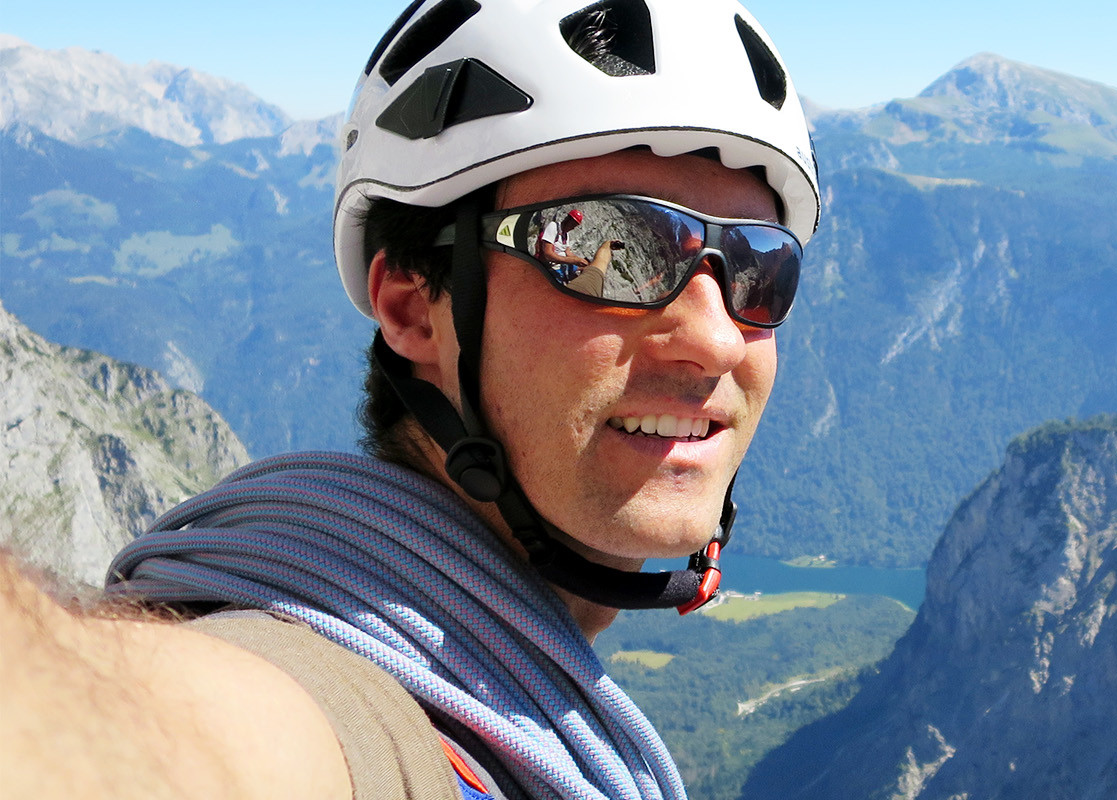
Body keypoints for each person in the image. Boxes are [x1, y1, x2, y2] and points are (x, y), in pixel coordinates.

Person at [0, 1, 816, 798]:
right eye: (611, 250)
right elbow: (153, 738)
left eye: (760, 268)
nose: (714, 339)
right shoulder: (346, 709)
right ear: (412, 306)